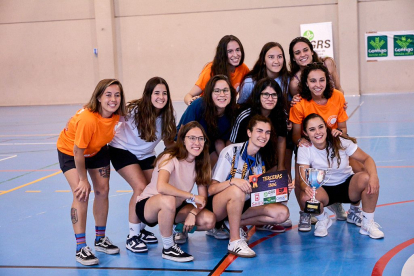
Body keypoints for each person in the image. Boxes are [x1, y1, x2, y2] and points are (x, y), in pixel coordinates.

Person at [57, 79, 126, 266]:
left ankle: (100, 239)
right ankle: (80, 247)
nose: (113, 99)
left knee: (103, 190)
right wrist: (82, 179)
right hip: (71, 152)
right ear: (99, 97)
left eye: (117, 95)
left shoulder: (117, 113)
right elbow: (78, 152)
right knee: (81, 193)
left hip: (96, 149)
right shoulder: (88, 119)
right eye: (108, 95)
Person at [207, 115, 292, 258]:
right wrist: (233, 181)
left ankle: (232, 223)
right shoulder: (231, 151)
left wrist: (281, 189)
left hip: (243, 205)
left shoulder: (259, 160)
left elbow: (258, 194)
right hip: (219, 206)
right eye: (259, 131)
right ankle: (235, 241)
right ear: (249, 133)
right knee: (236, 190)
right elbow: (211, 189)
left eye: (267, 132)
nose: (263, 136)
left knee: (282, 213)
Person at [109, 77, 176, 253]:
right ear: (148, 94)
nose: (161, 97)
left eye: (164, 93)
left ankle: (141, 229)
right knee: (139, 187)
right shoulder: (133, 110)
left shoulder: (168, 114)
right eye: (157, 93)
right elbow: (110, 115)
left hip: (146, 154)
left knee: (153, 189)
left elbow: (169, 142)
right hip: (122, 150)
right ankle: (132, 236)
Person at [135, 121, 216, 262]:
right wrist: (191, 196)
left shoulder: (200, 163)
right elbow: (162, 187)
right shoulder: (170, 157)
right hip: (149, 205)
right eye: (192, 138)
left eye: (200, 138)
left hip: (175, 206)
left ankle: (174, 228)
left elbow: (202, 199)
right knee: (168, 199)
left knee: (209, 220)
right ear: (183, 140)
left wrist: (192, 213)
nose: (197, 142)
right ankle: (168, 247)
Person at [289, 62, 356, 230]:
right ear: (306, 83)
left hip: (332, 142)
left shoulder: (337, 97)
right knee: (301, 176)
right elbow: (296, 134)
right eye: (313, 81)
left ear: (328, 80)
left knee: (357, 166)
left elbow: (343, 128)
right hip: (310, 145)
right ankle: (305, 211)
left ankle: (342, 204)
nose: (317, 85)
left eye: (321, 80)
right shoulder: (299, 103)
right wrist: (301, 142)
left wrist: (338, 136)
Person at [297, 113, 384, 239]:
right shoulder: (305, 148)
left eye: (320, 127)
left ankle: (367, 223)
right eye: (312, 129)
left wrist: (374, 176)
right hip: (323, 189)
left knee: (367, 178)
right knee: (306, 197)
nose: (318, 132)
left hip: (347, 187)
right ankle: (323, 220)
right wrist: (306, 187)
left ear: (326, 128)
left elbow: (367, 159)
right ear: (305, 133)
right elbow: (303, 177)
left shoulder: (340, 141)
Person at [230, 77, 290, 232]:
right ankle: (232, 218)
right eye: (265, 94)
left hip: (264, 165)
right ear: (258, 96)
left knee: (281, 182)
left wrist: (282, 169)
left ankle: (254, 220)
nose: (270, 99)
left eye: (274, 95)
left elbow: (282, 140)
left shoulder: (280, 114)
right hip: (243, 167)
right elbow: (231, 145)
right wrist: (235, 174)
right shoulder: (245, 115)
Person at [178, 75, 237, 167]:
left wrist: (228, 163)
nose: (222, 94)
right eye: (217, 91)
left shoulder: (231, 113)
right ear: (210, 94)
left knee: (220, 168)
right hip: (184, 146)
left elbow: (219, 141)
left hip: (207, 149)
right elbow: (181, 134)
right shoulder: (198, 104)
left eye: (225, 90)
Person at [184, 35, 250, 105]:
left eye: (237, 50)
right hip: (208, 110)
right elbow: (188, 95)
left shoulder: (243, 68)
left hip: (227, 110)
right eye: (230, 51)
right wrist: (191, 101)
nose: (235, 54)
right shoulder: (211, 70)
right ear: (222, 53)